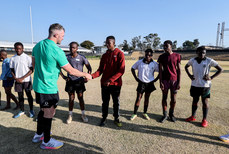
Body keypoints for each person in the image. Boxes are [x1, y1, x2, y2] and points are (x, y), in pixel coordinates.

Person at [31, 23, 92, 150]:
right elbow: (71, 70)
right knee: (49, 112)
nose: (63, 38)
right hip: (48, 88)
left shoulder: (37, 46)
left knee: (43, 110)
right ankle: (46, 141)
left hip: (38, 85)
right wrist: (85, 74)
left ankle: (39, 134)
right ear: (56, 34)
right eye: (62, 35)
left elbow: (34, 64)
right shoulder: (56, 50)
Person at [91, 36, 125, 127]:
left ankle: (116, 118)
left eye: (109, 43)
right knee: (105, 102)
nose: (107, 45)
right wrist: (91, 76)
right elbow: (100, 70)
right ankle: (104, 118)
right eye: (106, 43)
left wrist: (110, 80)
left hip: (116, 84)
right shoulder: (104, 56)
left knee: (116, 102)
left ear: (114, 43)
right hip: (104, 84)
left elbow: (121, 71)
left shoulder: (119, 54)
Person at [185, 46, 222, 127]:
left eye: (204, 53)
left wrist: (211, 77)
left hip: (205, 86)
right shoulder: (192, 60)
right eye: (200, 52)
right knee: (195, 101)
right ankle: (193, 116)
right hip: (194, 84)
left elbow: (220, 69)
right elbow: (186, 67)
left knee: (205, 102)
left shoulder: (209, 60)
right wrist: (190, 75)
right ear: (196, 52)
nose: (202, 54)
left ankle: (204, 120)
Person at [60, 41, 92, 124]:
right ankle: (70, 115)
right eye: (70, 47)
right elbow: (59, 67)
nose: (72, 49)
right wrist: (64, 77)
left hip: (79, 81)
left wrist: (87, 77)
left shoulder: (82, 57)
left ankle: (83, 114)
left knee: (80, 98)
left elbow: (89, 68)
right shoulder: (66, 57)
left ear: (77, 48)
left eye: (74, 47)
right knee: (71, 98)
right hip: (70, 81)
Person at [130, 49, 159, 121]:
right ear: (144, 55)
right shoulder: (139, 62)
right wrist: (136, 78)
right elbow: (132, 68)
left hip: (149, 83)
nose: (148, 56)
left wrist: (155, 80)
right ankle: (134, 113)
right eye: (146, 55)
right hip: (141, 83)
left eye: (149, 55)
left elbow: (160, 71)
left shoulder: (154, 64)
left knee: (147, 98)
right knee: (138, 98)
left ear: (152, 56)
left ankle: (145, 113)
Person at [157, 40, 181, 123]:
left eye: (166, 46)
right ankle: (165, 114)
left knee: (173, 99)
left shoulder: (177, 56)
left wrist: (179, 82)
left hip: (174, 81)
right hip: (165, 80)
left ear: (171, 46)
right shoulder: (161, 57)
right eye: (164, 46)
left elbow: (179, 70)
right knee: (164, 97)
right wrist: (160, 82)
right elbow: (160, 71)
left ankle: (171, 114)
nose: (165, 47)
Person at [10, 42, 34, 118]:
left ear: (23, 49)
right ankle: (22, 110)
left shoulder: (27, 57)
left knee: (29, 95)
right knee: (20, 96)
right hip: (17, 81)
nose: (18, 50)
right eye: (16, 48)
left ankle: (31, 110)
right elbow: (12, 70)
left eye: (20, 48)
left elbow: (31, 70)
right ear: (14, 49)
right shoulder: (13, 58)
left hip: (26, 80)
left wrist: (22, 78)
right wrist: (16, 78)